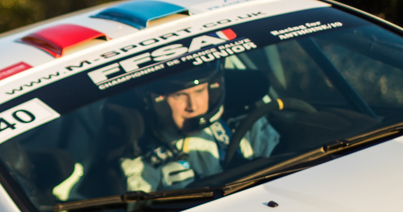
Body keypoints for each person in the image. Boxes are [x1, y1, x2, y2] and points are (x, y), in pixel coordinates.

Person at [119, 67, 281, 193]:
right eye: (179, 95)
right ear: (157, 100)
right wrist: (168, 197)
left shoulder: (246, 127)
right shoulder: (140, 159)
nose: (193, 106)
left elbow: (283, 174)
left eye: (199, 91)